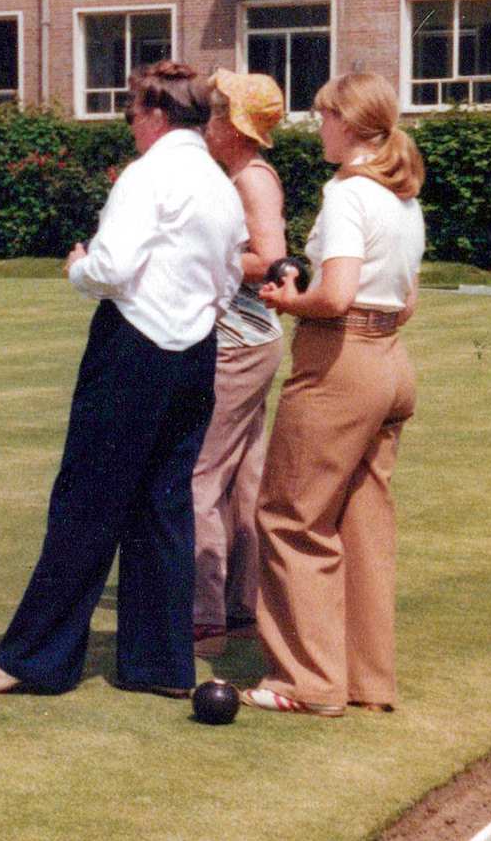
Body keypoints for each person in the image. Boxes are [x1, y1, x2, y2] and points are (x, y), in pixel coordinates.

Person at [0, 61, 246, 699]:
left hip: (132, 349)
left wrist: (78, 267)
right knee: (164, 504)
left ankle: (35, 661)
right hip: (194, 354)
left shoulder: (147, 177)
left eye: (132, 115)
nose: (131, 128)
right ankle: (160, 666)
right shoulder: (221, 185)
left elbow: (114, 265)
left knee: (87, 501)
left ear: (153, 113)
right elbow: (230, 280)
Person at [244, 73, 424, 717]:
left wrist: (291, 301)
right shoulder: (403, 198)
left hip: (340, 361)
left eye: (322, 116)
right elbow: (404, 302)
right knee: (364, 525)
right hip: (390, 365)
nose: (316, 126)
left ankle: (306, 682)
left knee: (292, 516)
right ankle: (365, 681)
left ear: (346, 122)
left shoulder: (347, 192)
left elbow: (337, 294)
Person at [190, 70, 289, 657]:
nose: (207, 123)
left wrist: (207, 253)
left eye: (215, 114)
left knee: (200, 474)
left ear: (235, 126)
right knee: (245, 477)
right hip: (253, 341)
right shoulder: (240, 174)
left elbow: (271, 258)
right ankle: (243, 609)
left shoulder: (252, 178)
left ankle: (204, 621)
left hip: (238, 343)